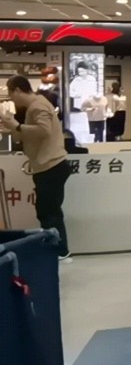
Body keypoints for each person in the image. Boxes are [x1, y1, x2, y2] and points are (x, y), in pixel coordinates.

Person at [1, 75, 73, 260]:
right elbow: (29, 135)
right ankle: (58, 250)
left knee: (49, 212)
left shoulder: (37, 106)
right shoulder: (36, 105)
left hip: (51, 166)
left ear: (18, 90)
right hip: (47, 166)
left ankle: (59, 251)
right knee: (48, 210)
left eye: (11, 94)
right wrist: (13, 129)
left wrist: (17, 126)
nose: (11, 99)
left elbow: (43, 130)